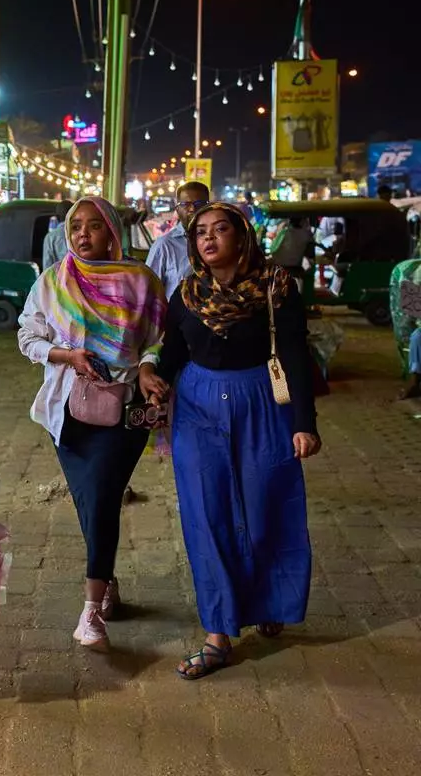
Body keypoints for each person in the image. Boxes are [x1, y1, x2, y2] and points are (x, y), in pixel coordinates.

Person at [155, 202, 320, 680]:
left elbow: (294, 354)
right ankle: (218, 634)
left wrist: (304, 423)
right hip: (197, 410)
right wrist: (151, 373)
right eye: (200, 232)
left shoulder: (276, 288)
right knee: (207, 517)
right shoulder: (187, 294)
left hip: (263, 403)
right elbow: (172, 352)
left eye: (220, 229)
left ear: (242, 236)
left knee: (266, 506)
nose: (208, 239)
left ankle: (268, 600)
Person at [17, 196, 168, 652]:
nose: (83, 234)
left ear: (112, 231)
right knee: (90, 501)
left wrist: (147, 367)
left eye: (94, 225)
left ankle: (90, 613)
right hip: (68, 411)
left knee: (101, 495)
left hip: (125, 409)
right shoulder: (52, 281)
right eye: (75, 226)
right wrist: (66, 355)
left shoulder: (142, 281)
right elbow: (27, 337)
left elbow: (158, 338)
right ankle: (107, 581)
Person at [147, 181, 210, 295]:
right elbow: (148, 290)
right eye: (186, 204)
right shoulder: (164, 245)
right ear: (177, 209)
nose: (192, 209)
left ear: (209, 207)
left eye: (199, 203)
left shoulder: (217, 242)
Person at [41, 200, 74, 271]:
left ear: (57, 217)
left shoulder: (50, 237)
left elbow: (47, 266)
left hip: (57, 277)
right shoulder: (80, 233)